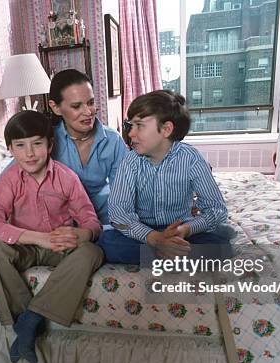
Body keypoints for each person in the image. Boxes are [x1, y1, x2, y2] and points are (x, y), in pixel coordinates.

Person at [0, 111, 104, 363]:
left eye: (37, 143)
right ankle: (26, 320)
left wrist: (83, 233)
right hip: (25, 246)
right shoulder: (9, 179)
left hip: (59, 247)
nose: (30, 153)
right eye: (20, 146)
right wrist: (39, 238)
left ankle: (31, 318)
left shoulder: (66, 177)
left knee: (92, 252)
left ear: (49, 145)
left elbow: (92, 221)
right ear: (10, 149)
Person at [0, 69, 127, 238]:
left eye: (91, 102)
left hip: (103, 222)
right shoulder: (43, 144)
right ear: (55, 107)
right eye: (77, 106)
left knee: (136, 248)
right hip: (59, 227)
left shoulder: (112, 141)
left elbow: (125, 192)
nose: (88, 112)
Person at [98, 90, 229, 265]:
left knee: (221, 246)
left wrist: (186, 229)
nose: (130, 134)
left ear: (166, 129)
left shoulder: (191, 158)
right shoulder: (130, 161)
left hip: (181, 231)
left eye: (139, 125)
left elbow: (217, 209)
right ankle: (170, 254)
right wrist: (154, 238)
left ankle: (165, 253)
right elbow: (118, 213)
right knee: (108, 243)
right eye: (131, 125)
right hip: (144, 232)